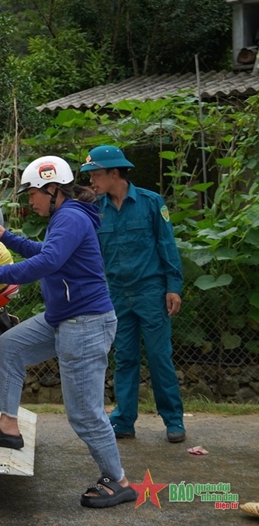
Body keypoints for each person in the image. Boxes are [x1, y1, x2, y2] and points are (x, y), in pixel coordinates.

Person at [0, 155, 137, 509]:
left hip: (85, 323)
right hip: (64, 317)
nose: (30, 200)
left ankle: (118, 481)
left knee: (84, 413)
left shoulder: (71, 216)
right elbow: (49, 252)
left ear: (53, 189)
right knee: (10, 346)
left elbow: (47, 263)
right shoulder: (67, 215)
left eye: (33, 193)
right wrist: (9, 238)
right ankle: (8, 426)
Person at [80, 145, 185, 443]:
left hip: (151, 293)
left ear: (115, 173)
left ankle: (173, 420)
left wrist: (172, 287)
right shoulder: (95, 208)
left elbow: (167, 246)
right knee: (124, 358)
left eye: (96, 174)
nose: (91, 181)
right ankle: (124, 420)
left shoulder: (151, 203)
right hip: (115, 295)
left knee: (159, 357)